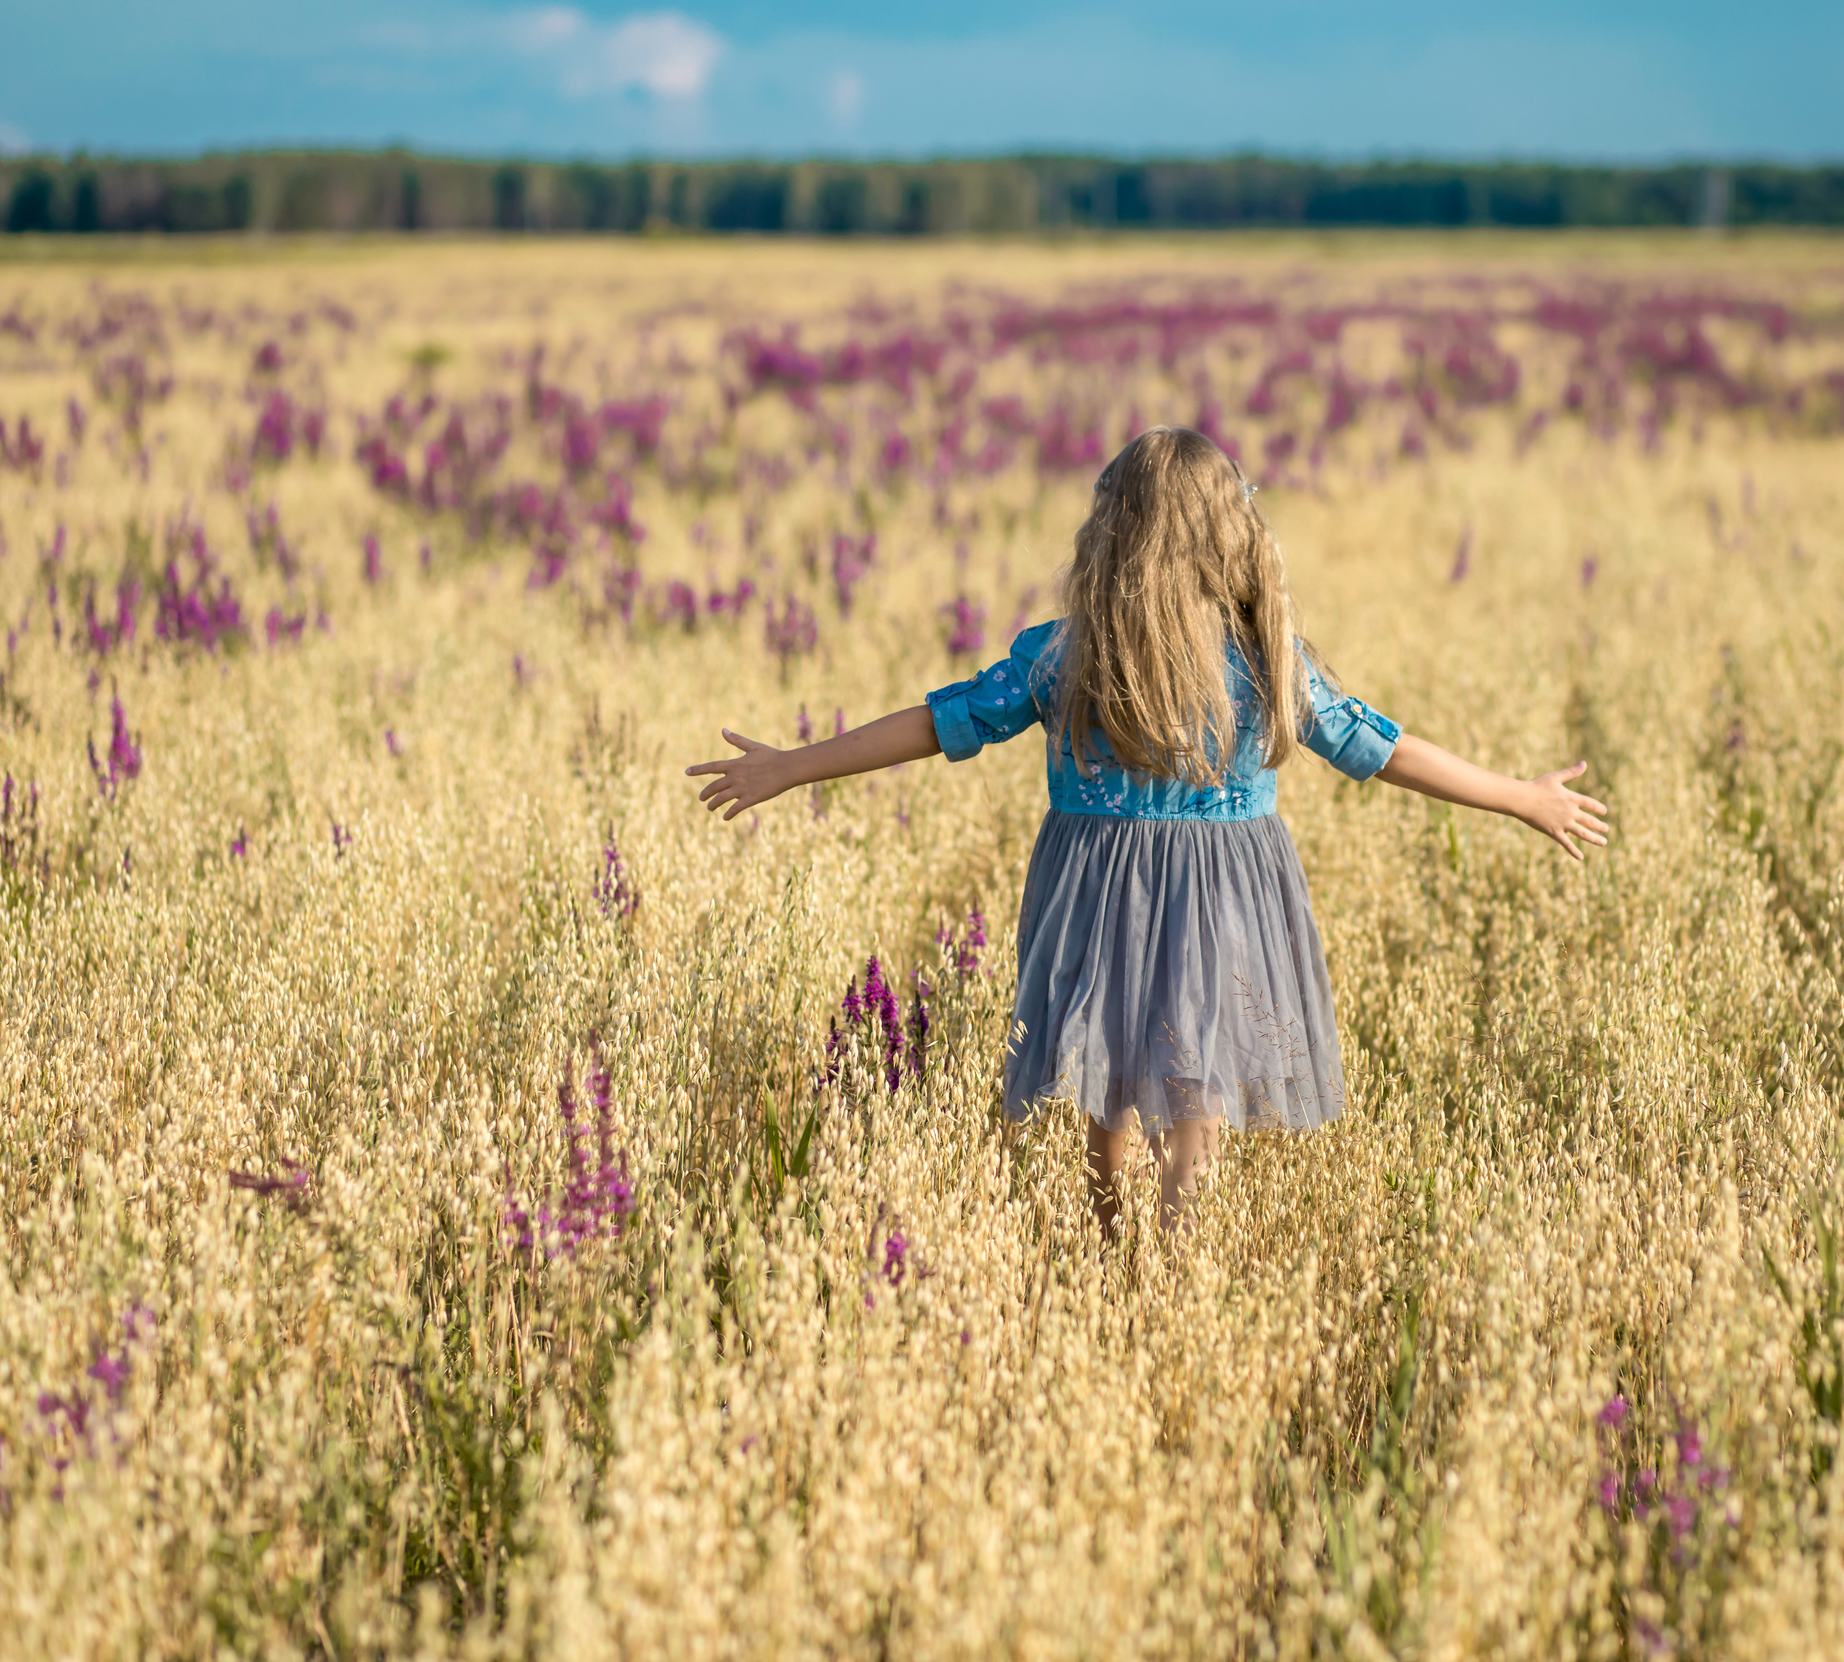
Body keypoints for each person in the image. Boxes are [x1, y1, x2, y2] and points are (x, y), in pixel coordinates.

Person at [687, 427, 1608, 1242]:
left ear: (1111, 533)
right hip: (1224, 894)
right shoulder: (1261, 658)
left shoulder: (1069, 652)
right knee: (1196, 1077)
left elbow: (942, 721)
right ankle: (1176, 1251)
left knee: (1111, 1066)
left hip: (1099, 888)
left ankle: (1108, 1236)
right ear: (1234, 534)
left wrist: (795, 764)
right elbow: (1381, 746)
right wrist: (1517, 795)